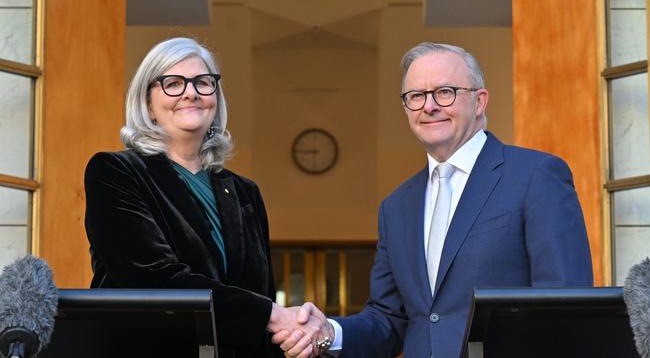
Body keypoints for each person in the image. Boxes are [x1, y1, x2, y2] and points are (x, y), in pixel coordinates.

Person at [274, 42, 594, 358]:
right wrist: (330, 332)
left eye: (445, 92)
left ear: (479, 101)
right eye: (416, 96)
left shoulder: (536, 175)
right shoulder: (396, 207)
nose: (429, 106)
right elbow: (389, 319)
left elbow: (563, 309)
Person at [84, 37, 327, 357]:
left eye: (203, 82)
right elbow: (152, 279)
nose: (191, 92)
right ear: (147, 104)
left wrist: (300, 337)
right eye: (173, 83)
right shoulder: (116, 172)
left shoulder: (244, 193)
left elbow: (258, 296)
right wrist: (272, 314)